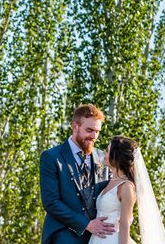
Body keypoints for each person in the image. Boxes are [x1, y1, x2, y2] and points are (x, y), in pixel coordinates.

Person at [40, 104, 117, 243]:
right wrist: (86, 224)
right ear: (75, 126)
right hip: (64, 231)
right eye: (89, 130)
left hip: (98, 236)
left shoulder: (103, 158)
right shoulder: (51, 157)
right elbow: (51, 202)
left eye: (97, 131)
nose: (94, 136)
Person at [89, 136, 165, 244]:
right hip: (97, 239)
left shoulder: (126, 187)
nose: (104, 153)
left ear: (116, 157)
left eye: (107, 151)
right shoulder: (109, 182)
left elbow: (125, 224)